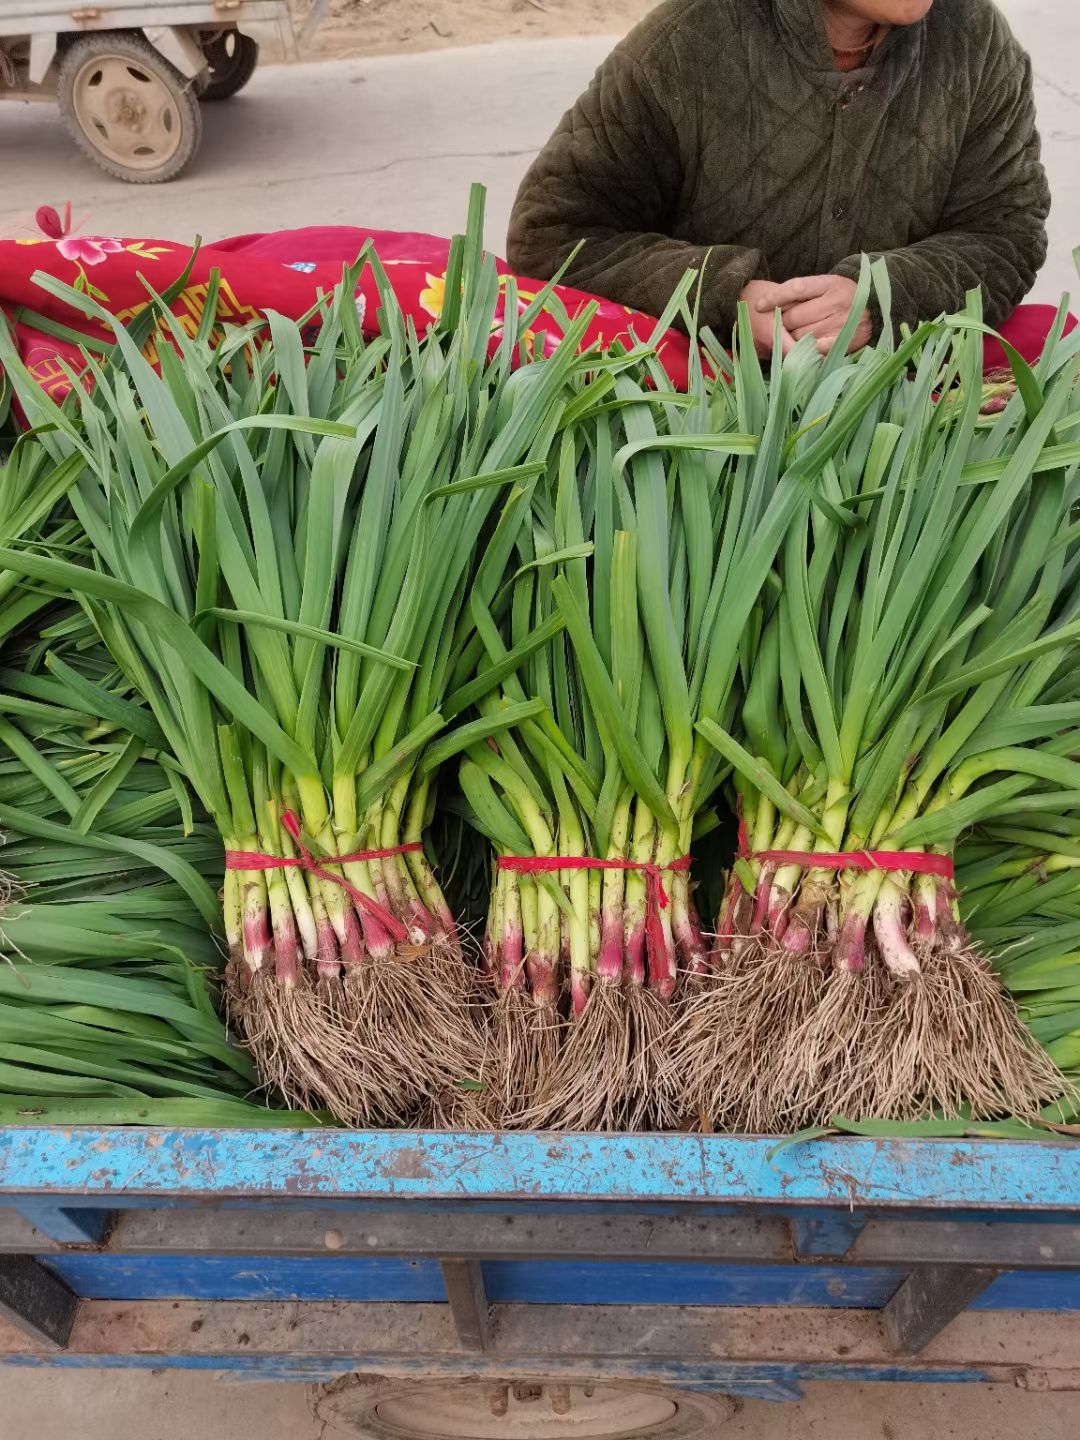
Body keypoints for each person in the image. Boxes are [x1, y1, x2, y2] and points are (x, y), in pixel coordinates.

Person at [507, 0, 1050, 356]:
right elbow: (553, 236)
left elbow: (1005, 234)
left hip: (897, 415)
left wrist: (883, 299)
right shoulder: (686, 41)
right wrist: (725, 297)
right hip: (699, 424)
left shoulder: (974, 38)